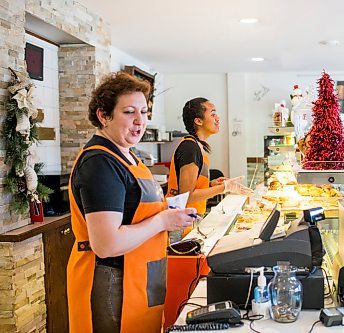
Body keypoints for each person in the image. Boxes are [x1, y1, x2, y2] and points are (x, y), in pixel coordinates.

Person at [66, 72, 196, 333]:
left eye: (144, 112)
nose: (140, 121)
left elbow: (132, 211)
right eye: (129, 112)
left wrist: (168, 211)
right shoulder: (100, 163)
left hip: (140, 276)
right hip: (111, 283)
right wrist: (162, 220)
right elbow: (106, 244)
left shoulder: (128, 156)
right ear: (104, 116)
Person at [167, 97, 252, 239]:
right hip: (179, 222)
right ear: (198, 121)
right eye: (212, 114)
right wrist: (224, 187)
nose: (217, 118)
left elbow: (192, 186)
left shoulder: (197, 146)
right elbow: (187, 195)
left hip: (190, 218)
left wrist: (211, 184)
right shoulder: (190, 147)